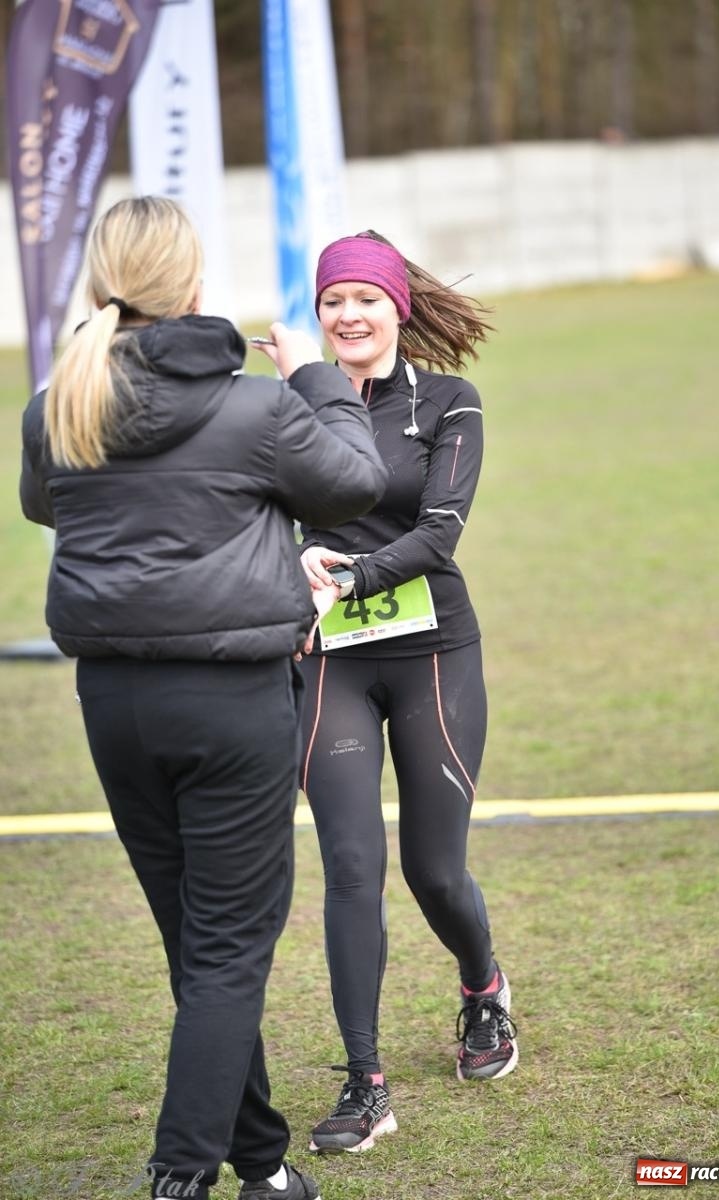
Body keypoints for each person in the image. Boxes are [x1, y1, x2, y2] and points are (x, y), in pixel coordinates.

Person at [19, 197, 388, 1200]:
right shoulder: (258, 407)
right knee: (224, 956)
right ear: (191, 285)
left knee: (202, 950)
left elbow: (42, 503)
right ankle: (181, 1178)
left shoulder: (60, 399)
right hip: (229, 705)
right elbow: (354, 483)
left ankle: (261, 1169)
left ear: (105, 283)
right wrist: (317, 375)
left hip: (112, 705)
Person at [294, 231, 518, 1153]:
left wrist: (347, 578)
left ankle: (482, 989)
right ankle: (365, 1081)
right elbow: (246, 518)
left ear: (398, 308)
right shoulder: (290, 407)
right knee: (350, 867)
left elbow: (439, 534)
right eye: (332, 300)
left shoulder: (450, 402)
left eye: (365, 299)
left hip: (433, 654)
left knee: (432, 870)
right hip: (326, 661)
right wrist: (291, 561)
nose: (348, 315)